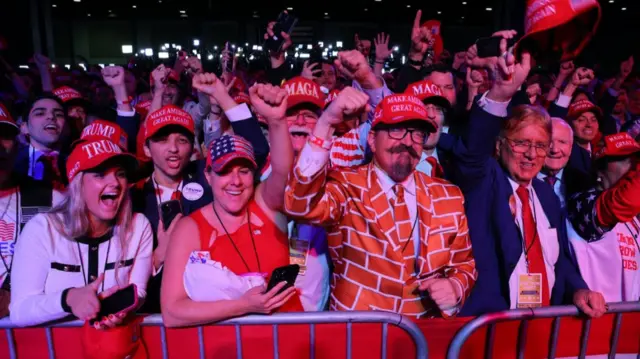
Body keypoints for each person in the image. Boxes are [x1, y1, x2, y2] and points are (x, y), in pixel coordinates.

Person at [448, 36, 605, 317]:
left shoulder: (546, 195)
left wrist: (578, 289)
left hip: (541, 326)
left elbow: (559, 261)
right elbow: (472, 155)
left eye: (540, 146)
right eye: (521, 143)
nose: (531, 154)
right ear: (499, 146)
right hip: (491, 329)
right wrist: (499, 94)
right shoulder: (484, 181)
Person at [285, 90, 476, 318]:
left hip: (424, 339)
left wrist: (455, 287)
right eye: (396, 130)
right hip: (358, 336)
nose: (407, 141)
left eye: (417, 133)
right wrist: (326, 122)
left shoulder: (449, 196)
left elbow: (464, 265)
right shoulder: (346, 186)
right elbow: (299, 204)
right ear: (372, 140)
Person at [161, 84, 301, 327]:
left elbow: (282, 170)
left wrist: (277, 121)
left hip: (285, 342)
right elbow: (173, 312)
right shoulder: (190, 228)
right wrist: (244, 306)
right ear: (208, 177)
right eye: (224, 172)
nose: (235, 181)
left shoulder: (266, 205)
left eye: (244, 171)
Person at [10, 138, 152, 330]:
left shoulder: (139, 226)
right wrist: (68, 299)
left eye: (121, 174)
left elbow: (139, 292)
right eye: (100, 175)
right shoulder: (42, 229)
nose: (115, 183)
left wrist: (115, 308)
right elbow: (19, 311)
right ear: (78, 183)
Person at [567, 133, 640, 302]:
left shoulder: (634, 218)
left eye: (635, 161)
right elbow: (625, 201)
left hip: (626, 319)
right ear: (600, 169)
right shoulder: (583, 202)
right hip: (595, 319)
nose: (632, 167)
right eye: (624, 159)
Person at [404, 79, 451, 178]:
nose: (431, 115)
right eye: (422, 106)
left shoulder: (456, 161)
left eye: (438, 109)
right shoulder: (393, 167)